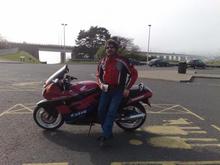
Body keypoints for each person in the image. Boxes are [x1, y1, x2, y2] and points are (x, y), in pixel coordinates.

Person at [96, 39, 138, 146]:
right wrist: (100, 84)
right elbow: (98, 75)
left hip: (118, 90)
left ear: (116, 49)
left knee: (111, 112)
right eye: (108, 47)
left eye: (112, 47)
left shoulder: (122, 60)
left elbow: (134, 74)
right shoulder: (102, 61)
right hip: (105, 89)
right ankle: (108, 132)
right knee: (100, 111)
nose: (109, 49)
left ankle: (105, 136)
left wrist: (127, 88)